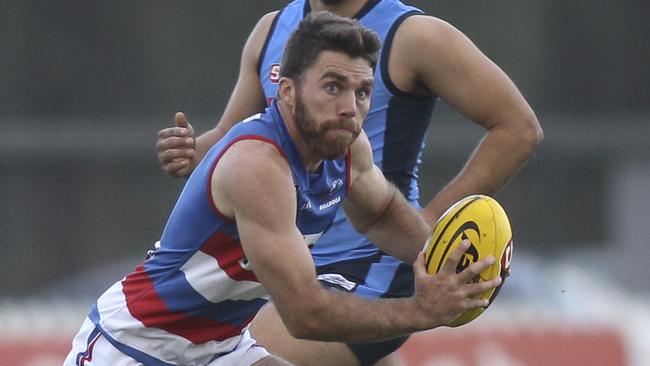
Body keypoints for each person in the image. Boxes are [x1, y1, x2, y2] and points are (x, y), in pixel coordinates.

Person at [65, 13, 502, 366]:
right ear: (287, 92)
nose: (351, 108)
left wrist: (445, 258)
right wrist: (424, 311)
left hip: (220, 347)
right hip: (136, 345)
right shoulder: (258, 167)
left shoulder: (347, 146)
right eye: (333, 87)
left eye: (364, 91)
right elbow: (305, 314)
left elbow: (381, 213)